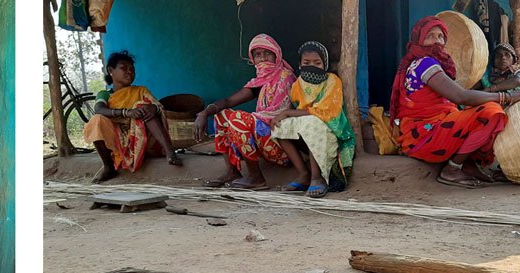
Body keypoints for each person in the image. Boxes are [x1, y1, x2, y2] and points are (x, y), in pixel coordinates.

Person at [390, 16, 520, 188]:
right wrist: (505, 97)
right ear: (419, 39)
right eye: (431, 36)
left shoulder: (435, 65)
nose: (437, 41)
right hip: (425, 135)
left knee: (482, 110)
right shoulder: (424, 63)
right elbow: (461, 97)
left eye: (441, 37)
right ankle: (452, 170)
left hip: (429, 130)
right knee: (491, 113)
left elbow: (464, 97)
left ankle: (467, 164)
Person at [194, 35, 297, 190]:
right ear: (253, 59)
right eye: (257, 54)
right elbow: (228, 101)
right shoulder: (260, 81)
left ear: (277, 55)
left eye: (267, 53)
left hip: (282, 147)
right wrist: (204, 113)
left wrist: (245, 121)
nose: (263, 58)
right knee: (222, 115)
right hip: (264, 142)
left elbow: (276, 116)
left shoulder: (285, 76)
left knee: (238, 119)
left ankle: (256, 178)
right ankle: (232, 171)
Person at [271, 41, 356, 197]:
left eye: (317, 63)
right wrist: (285, 115)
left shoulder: (332, 80)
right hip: (306, 127)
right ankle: (303, 174)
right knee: (279, 126)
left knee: (312, 122)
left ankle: (317, 178)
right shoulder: (298, 84)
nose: (312, 66)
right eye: (306, 62)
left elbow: (326, 112)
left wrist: (288, 113)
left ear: (325, 64)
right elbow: (299, 109)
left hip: (329, 129)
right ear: (300, 64)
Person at [82, 51, 182, 183]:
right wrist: (126, 112)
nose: (129, 72)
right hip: (119, 141)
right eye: (124, 68)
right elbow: (99, 109)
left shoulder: (141, 90)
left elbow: (158, 106)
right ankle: (108, 166)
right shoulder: (105, 94)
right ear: (111, 71)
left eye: (132, 69)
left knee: (144, 106)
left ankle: (170, 152)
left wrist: (153, 108)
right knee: (96, 120)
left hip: (146, 140)